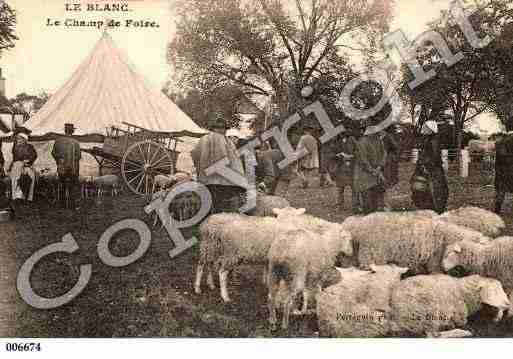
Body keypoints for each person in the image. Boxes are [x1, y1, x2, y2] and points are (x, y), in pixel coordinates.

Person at [191, 113, 246, 214]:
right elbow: (227, 159)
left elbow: (194, 155)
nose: (224, 131)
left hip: (206, 180)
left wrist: (202, 171)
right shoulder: (226, 141)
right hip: (225, 181)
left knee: (207, 205)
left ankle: (207, 225)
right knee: (223, 208)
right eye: (224, 129)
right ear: (223, 129)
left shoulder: (202, 140)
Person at [411, 120, 448, 214]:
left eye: (425, 127)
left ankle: (435, 209)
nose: (423, 128)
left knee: (433, 190)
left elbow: (434, 157)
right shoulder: (427, 138)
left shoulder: (433, 140)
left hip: (432, 169)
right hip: (425, 167)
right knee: (420, 188)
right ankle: (427, 208)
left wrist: (425, 164)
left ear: (430, 129)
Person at [353, 122, 387, 214]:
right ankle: (367, 214)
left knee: (375, 194)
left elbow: (384, 154)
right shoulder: (362, 142)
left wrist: (379, 167)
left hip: (375, 171)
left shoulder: (379, 141)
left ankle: (374, 213)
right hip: (364, 172)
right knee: (367, 195)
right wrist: (373, 170)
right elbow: (363, 159)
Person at [328, 128, 360, 212]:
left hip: (351, 167)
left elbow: (359, 150)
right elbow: (330, 153)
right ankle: (339, 205)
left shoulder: (352, 139)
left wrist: (352, 156)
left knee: (354, 188)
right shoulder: (335, 140)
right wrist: (338, 155)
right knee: (340, 188)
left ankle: (355, 206)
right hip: (340, 167)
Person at [51, 123, 82, 208]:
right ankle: (72, 205)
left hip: (62, 168)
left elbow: (53, 153)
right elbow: (79, 156)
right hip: (73, 169)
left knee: (62, 185)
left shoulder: (58, 141)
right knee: (72, 186)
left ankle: (62, 205)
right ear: (72, 132)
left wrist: (59, 160)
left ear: (65, 131)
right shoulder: (76, 142)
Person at [9, 132, 37, 202]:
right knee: (15, 177)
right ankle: (16, 196)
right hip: (18, 164)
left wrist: (28, 161)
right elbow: (15, 158)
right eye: (18, 139)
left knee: (32, 176)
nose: (19, 140)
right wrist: (21, 162)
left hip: (28, 165)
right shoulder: (15, 147)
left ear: (24, 139)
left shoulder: (30, 147)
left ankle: (29, 197)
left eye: (20, 139)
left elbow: (34, 155)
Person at [493, 132, 513, 214]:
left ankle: (497, 209)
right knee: (501, 191)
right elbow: (503, 157)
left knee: (500, 191)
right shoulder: (501, 144)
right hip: (505, 171)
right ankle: (497, 209)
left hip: (501, 172)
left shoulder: (499, 143)